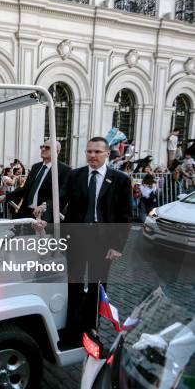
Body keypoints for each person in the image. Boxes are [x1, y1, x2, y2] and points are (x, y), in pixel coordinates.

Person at [61, 137, 132, 346]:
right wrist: (45, 211)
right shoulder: (76, 175)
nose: (92, 155)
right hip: (77, 240)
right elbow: (61, 200)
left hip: (103, 243)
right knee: (73, 284)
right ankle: (72, 326)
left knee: (96, 285)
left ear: (107, 154)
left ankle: (92, 327)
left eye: (97, 152)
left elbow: (125, 216)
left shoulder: (120, 179)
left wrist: (117, 246)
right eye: (89, 151)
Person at [4, 140, 70, 221]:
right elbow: (25, 189)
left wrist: (45, 206)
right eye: (42, 147)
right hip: (26, 212)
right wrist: (6, 197)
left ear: (57, 151)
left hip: (44, 215)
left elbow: (62, 196)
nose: (43, 149)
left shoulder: (64, 170)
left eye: (47, 147)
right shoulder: (36, 167)